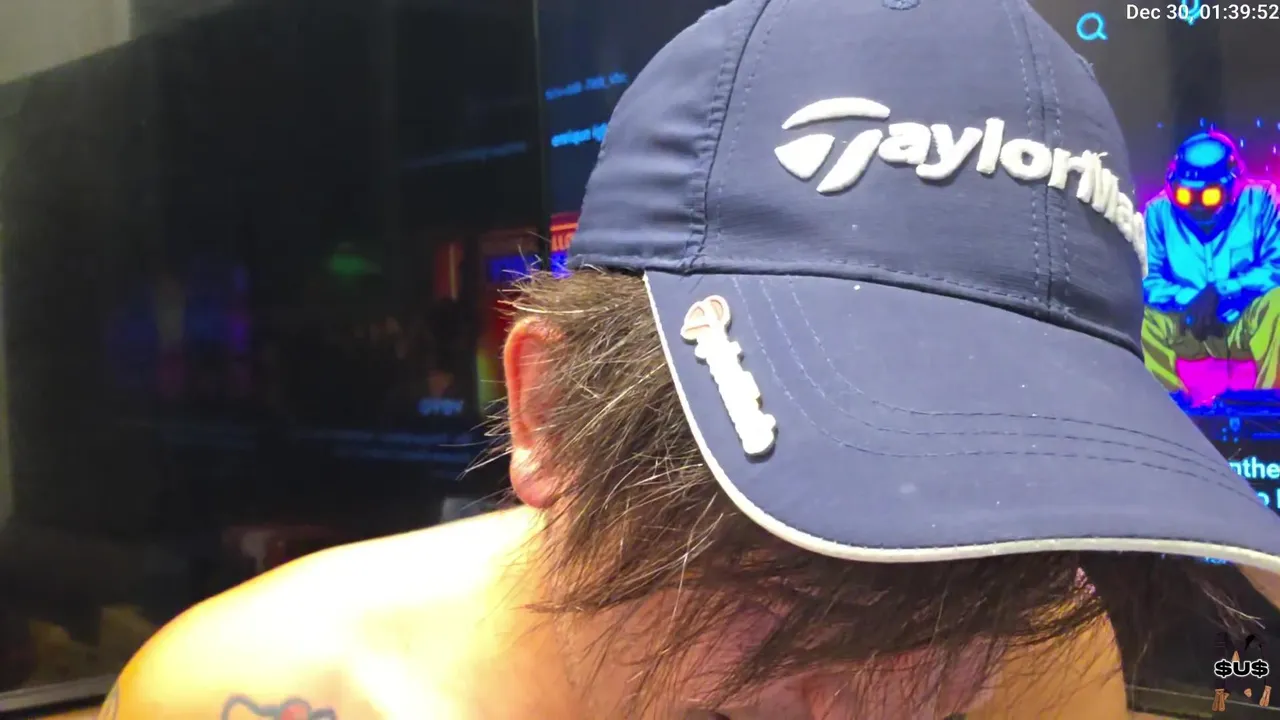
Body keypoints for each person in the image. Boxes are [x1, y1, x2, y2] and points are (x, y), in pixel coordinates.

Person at [101, 1, 1280, 718]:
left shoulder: (1043, 665)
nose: (873, 694)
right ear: (548, 414)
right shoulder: (256, 694)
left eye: (979, 577)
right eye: (781, 577)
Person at [1142, 131, 1280, 395]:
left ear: (1232, 187)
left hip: (1243, 321)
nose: (1196, 206)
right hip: (1186, 322)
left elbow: (1277, 267)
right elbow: (1147, 279)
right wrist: (1191, 299)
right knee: (1142, 318)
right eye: (1185, 195)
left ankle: (1268, 404)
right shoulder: (1158, 212)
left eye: (1209, 196)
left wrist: (1223, 290)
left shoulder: (1263, 201)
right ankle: (1165, 404)